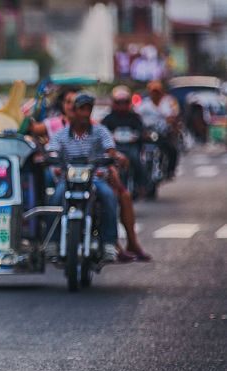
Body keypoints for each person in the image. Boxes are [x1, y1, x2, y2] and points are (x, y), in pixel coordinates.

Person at [46, 93, 123, 263]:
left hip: (94, 179)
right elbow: (52, 151)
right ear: (73, 112)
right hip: (69, 180)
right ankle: (53, 242)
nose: (84, 113)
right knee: (56, 198)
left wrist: (110, 158)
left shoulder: (100, 131)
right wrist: (52, 160)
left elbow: (110, 148)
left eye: (88, 109)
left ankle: (109, 243)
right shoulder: (61, 135)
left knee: (109, 197)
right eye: (81, 109)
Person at [101, 86, 152, 262]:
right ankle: (111, 243)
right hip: (83, 179)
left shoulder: (96, 130)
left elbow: (107, 150)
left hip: (121, 155)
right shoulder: (105, 122)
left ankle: (143, 184)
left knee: (122, 194)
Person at [136, 80, 180, 179]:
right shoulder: (144, 104)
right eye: (153, 92)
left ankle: (170, 171)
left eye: (157, 92)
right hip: (147, 133)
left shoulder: (167, 103)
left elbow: (173, 116)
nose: (155, 94)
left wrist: (171, 122)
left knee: (172, 150)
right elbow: (136, 114)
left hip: (162, 133)